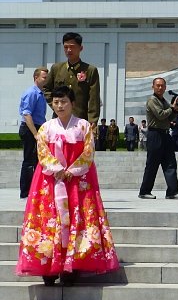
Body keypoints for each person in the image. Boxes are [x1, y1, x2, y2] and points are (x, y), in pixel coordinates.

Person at [15, 86, 119, 286]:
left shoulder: (83, 126)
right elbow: (42, 151)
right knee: (49, 218)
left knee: (77, 217)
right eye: (56, 102)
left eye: (63, 102)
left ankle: (72, 265)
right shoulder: (46, 127)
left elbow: (89, 151)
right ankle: (49, 267)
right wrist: (56, 169)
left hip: (77, 180)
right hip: (50, 179)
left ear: (72, 103)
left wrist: (72, 170)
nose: (60, 106)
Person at [138, 77, 178, 200]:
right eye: (158, 85)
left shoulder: (164, 101)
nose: (160, 88)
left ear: (165, 87)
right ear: (153, 86)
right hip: (155, 134)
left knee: (170, 163)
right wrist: (172, 108)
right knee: (152, 165)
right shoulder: (152, 100)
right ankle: (144, 191)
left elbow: (169, 118)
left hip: (165, 134)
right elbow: (160, 115)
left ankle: (172, 192)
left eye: (162, 86)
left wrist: (176, 110)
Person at [43, 32, 101, 125]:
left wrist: (92, 120)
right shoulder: (56, 68)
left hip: (80, 119)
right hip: (59, 120)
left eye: (72, 47)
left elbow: (94, 98)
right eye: (66, 47)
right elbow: (46, 89)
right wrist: (56, 105)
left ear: (80, 48)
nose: (69, 50)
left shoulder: (90, 70)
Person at [18, 67, 48, 199]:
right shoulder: (32, 93)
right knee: (29, 161)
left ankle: (34, 189)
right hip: (30, 129)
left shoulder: (41, 94)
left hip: (37, 127)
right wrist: (35, 133)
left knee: (36, 161)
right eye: (44, 77)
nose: (46, 79)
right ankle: (25, 192)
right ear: (36, 78)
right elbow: (26, 114)